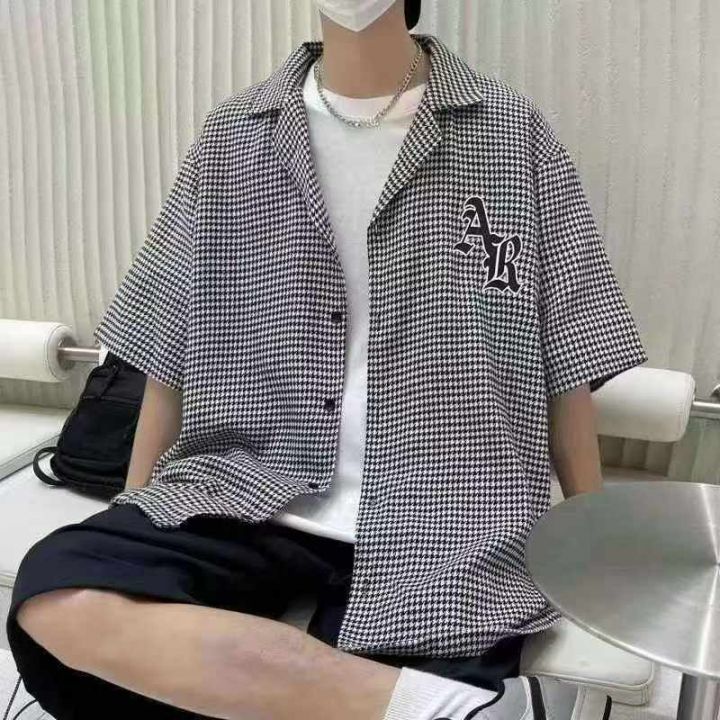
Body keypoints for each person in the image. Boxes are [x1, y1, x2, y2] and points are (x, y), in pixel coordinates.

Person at [6, 1, 648, 719]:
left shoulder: (509, 130)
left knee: (424, 634)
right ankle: (451, 708)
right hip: (248, 483)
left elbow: (568, 355)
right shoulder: (236, 131)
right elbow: (167, 347)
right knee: (60, 593)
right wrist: (138, 505)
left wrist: (590, 543)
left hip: (449, 511)